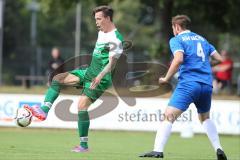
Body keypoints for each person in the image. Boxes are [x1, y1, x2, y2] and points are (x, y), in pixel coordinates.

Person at [24, 5, 123, 152]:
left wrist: (99, 76)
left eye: (99, 19)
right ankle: (44, 109)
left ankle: (84, 146)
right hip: (89, 71)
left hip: (101, 78)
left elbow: (111, 63)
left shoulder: (116, 38)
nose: (96, 22)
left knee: (81, 106)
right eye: (95, 19)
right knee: (57, 78)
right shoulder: (102, 32)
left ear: (108, 18)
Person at [139, 15, 227, 160]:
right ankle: (219, 148)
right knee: (205, 118)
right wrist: (205, 66)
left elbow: (178, 59)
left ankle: (158, 151)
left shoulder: (177, 39)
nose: (173, 31)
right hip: (206, 84)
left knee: (168, 116)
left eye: (173, 28)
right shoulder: (202, 39)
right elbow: (220, 59)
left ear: (177, 27)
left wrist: (166, 78)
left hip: (189, 84)